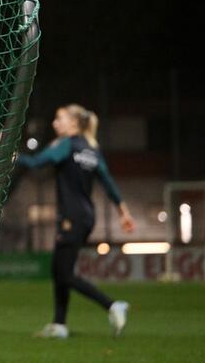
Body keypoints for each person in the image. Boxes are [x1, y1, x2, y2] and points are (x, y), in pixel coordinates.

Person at [16, 103, 136, 339]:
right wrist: (124, 211)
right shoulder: (91, 149)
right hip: (86, 216)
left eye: (59, 118)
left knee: (64, 274)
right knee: (59, 270)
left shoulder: (66, 145)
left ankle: (112, 305)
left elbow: (35, 163)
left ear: (73, 123)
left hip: (71, 216)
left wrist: (10, 153)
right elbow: (108, 182)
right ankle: (59, 325)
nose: (54, 123)